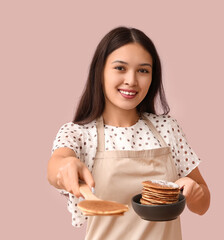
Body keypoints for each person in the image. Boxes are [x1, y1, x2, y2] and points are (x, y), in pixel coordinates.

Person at [47, 26, 210, 240]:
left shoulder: (168, 129)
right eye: (120, 68)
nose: (132, 80)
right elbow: (57, 165)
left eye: (143, 70)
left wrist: (194, 191)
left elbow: (202, 205)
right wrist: (65, 167)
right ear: (100, 72)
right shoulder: (78, 134)